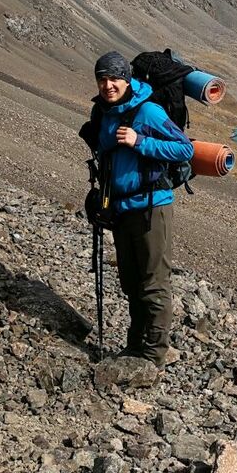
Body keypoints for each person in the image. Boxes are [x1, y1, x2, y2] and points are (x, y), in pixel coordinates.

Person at [90, 51, 193, 365]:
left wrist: (140, 142)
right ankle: (135, 347)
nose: (109, 85)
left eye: (115, 78)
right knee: (131, 282)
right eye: (103, 79)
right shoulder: (105, 112)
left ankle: (153, 354)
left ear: (127, 79)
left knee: (153, 283)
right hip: (121, 209)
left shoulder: (148, 112)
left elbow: (183, 148)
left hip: (152, 208)